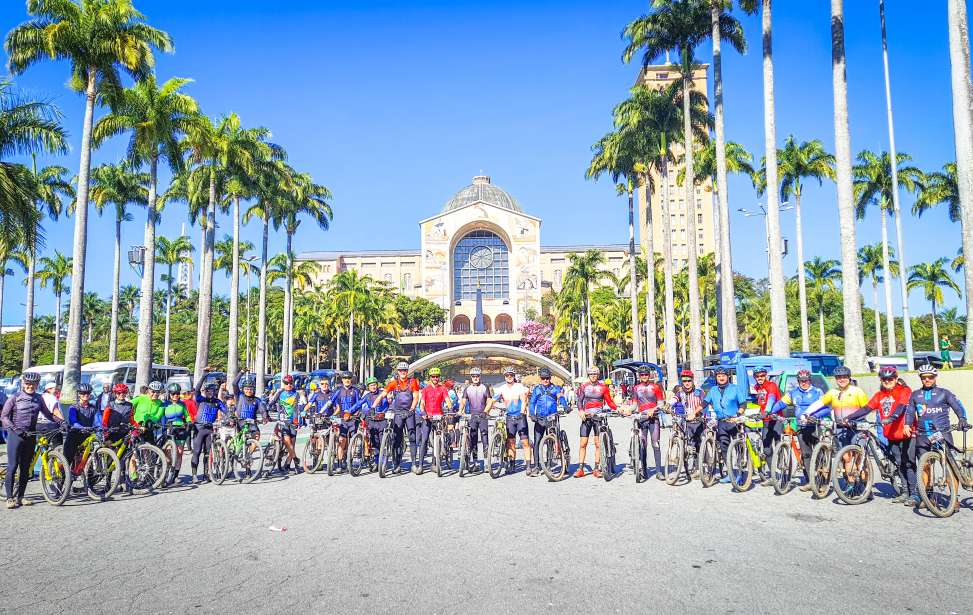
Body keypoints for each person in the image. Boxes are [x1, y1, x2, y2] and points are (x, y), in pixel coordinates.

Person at [907, 364, 969, 509]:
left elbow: (958, 406)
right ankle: (928, 497)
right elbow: (910, 411)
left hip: (942, 433)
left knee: (949, 466)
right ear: (921, 378)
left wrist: (962, 418)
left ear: (935, 377)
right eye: (924, 377)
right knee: (925, 467)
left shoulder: (944, 393)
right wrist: (907, 424)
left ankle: (954, 499)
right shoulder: (915, 394)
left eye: (930, 377)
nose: (927, 379)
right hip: (922, 435)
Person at [1, 372, 61, 508]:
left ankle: (21, 497)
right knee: (13, 465)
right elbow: (4, 417)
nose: (30, 386)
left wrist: (61, 422)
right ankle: (10, 498)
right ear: (23, 384)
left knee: (25, 468)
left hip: (31, 435)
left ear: (37, 385)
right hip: (16, 435)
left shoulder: (39, 398)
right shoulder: (14, 398)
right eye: (27, 384)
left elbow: (48, 414)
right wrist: (15, 429)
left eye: (33, 384)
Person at [866, 366, 915, 504]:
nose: (887, 381)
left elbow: (901, 407)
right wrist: (849, 418)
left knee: (909, 463)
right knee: (899, 463)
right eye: (884, 379)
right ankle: (905, 492)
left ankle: (915, 493)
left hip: (907, 434)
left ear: (896, 378)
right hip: (891, 435)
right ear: (881, 380)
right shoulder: (879, 395)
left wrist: (892, 418)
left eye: (890, 378)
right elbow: (866, 408)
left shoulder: (904, 390)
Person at [772, 369, 824, 491]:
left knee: (819, 454)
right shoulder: (793, 393)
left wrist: (815, 416)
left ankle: (822, 480)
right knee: (806, 454)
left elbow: (825, 407)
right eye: (801, 381)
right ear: (798, 381)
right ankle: (811, 481)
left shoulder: (818, 392)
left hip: (815, 426)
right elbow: (781, 404)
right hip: (801, 426)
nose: (804, 383)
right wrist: (770, 411)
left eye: (806, 380)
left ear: (810, 380)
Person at [701, 367, 749, 483]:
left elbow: (743, 404)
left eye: (723, 376)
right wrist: (694, 412)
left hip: (734, 422)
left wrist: (737, 414)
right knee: (724, 449)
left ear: (728, 377)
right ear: (716, 378)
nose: (721, 378)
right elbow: (704, 403)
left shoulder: (735, 388)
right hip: (722, 423)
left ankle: (740, 474)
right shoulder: (713, 390)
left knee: (738, 449)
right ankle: (730, 473)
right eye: (718, 376)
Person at [620, 365, 665, 480]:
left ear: (649, 375)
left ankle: (659, 471)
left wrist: (653, 409)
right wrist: (629, 409)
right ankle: (644, 470)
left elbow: (661, 403)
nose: (644, 376)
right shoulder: (636, 388)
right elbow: (635, 404)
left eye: (646, 374)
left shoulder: (656, 387)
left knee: (656, 444)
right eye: (642, 375)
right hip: (641, 419)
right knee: (643, 445)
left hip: (653, 418)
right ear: (639, 376)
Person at [376, 362, 420, 473]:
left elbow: (416, 397)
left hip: (409, 412)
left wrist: (412, 409)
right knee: (397, 438)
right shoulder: (394, 383)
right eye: (401, 370)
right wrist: (373, 406)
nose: (403, 372)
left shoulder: (413, 382)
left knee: (412, 437)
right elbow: (382, 395)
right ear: (398, 372)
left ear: (407, 371)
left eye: (405, 370)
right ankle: (396, 465)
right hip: (398, 412)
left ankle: (414, 464)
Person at [575, 366, 617, 478]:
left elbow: (609, 401)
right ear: (588, 375)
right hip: (587, 417)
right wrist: (581, 411)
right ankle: (580, 468)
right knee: (583, 443)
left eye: (595, 374)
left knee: (598, 444)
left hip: (598, 417)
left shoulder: (603, 387)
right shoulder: (584, 386)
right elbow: (579, 401)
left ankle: (596, 468)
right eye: (591, 374)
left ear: (598, 375)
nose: (593, 376)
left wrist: (617, 409)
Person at [527, 367, 567, 477]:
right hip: (539, 418)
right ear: (540, 378)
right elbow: (532, 403)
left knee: (551, 442)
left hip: (552, 418)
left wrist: (566, 406)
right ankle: (536, 466)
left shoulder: (555, 388)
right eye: (543, 378)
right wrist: (532, 414)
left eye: (547, 378)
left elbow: (561, 398)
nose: (545, 380)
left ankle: (549, 465)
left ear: (550, 378)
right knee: (537, 442)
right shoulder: (537, 389)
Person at [493, 367, 531, 475]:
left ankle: (528, 466)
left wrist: (522, 412)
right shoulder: (502, 388)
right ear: (504, 377)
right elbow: (493, 400)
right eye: (507, 375)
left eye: (511, 375)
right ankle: (512, 465)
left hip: (520, 417)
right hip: (509, 417)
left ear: (514, 376)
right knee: (511, 443)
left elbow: (524, 400)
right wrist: (487, 410)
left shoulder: (519, 387)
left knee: (525, 442)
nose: (509, 377)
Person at [416, 367, 454, 474]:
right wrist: (423, 413)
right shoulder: (425, 389)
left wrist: (450, 408)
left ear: (439, 377)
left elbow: (447, 400)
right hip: (428, 417)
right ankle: (421, 465)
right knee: (424, 441)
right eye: (433, 376)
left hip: (439, 416)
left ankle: (435, 463)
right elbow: (422, 403)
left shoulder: (443, 389)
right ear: (430, 378)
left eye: (437, 376)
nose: (435, 378)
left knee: (439, 439)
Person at [668, 369, 705, 477]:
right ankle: (685, 464)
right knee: (688, 443)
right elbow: (675, 398)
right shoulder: (680, 393)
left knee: (698, 444)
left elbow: (705, 403)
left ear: (692, 381)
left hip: (699, 421)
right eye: (684, 381)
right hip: (686, 421)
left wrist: (697, 413)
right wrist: (668, 404)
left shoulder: (699, 392)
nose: (687, 383)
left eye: (689, 381)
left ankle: (698, 467)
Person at [190, 378, 228, 483]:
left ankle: (206, 474)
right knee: (197, 452)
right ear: (205, 391)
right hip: (199, 428)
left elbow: (226, 411)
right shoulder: (201, 399)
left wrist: (231, 418)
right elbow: (197, 389)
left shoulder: (217, 402)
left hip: (210, 429)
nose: (210, 392)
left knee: (208, 452)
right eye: (208, 390)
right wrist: (204, 375)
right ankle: (194, 475)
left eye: (212, 390)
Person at [325, 372, 363, 471]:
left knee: (353, 440)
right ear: (342, 380)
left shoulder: (355, 391)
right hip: (342, 419)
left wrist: (356, 414)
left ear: (351, 380)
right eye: (345, 378)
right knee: (341, 440)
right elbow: (330, 403)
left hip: (353, 419)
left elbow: (359, 404)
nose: (347, 380)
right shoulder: (338, 391)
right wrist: (324, 412)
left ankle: (351, 460)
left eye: (349, 378)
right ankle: (340, 463)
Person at [459, 367, 492, 472]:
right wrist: (460, 410)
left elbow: (490, 401)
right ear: (471, 377)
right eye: (473, 376)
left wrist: (486, 411)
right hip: (473, 416)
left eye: (477, 376)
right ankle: (475, 462)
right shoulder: (467, 389)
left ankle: (487, 463)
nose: (475, 378)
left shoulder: (484, 387)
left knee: (484, 438)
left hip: (482, 416)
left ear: (480, 376)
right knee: (473, 440)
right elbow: (463, 401)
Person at [268, 374, 302, 473]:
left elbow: (298, 407)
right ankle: (296, 460)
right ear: (284, 384)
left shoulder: (296, 394)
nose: (289, 385)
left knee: (292, 444)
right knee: (287, 442)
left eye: (290, 383)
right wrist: (267, 409)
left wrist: (299, 419)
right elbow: (272, 402)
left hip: (293, 421)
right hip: (283, 421)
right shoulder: (280, 392)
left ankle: (288, 464)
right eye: (286, 383)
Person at [752, 367, 784, 468]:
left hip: (776, 418)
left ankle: (783, 465)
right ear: (754, 377)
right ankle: (772, 473)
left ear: (766, 376)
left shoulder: (771, 385)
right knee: (766, 448)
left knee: (779, 444)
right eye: (757, 376)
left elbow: (771, 398)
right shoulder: (756, 387)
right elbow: (756, 402)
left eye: (762, 375)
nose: (760, 377)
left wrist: (767, 410)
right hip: (765, 420)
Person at [63, 383, 100, 467]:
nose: (85, 395)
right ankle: (64, 476)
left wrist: (101, 428)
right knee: (68, 459)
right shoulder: (73, 407)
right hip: (75, 435)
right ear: (79, 394)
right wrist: (81, 427)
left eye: (87, 393)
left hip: (87, 435)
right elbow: (73, 421)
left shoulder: (93, 408)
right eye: (83, 393)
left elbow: (98, 420)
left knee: (92, 455)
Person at [355, 377, 388, 467]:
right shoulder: (367, 396)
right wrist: (349, 411)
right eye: (371, 385)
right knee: (375, 442)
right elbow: (358, 404)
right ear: (368, 387)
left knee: (382, 441)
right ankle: (377, 462)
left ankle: (383, 460)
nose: (373, 387)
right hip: (372, 420)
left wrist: (383, 413)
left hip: (382, 420)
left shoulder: (382, 393)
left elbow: (385, 404)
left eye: (374, 385)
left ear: (377, 385)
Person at [161, 383, 191, 479]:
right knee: (168, 454)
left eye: (177, 394)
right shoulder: (165, 404)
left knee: (179, 453)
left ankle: (175, 475)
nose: (175, 396)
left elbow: (187, 415)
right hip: (169, 429)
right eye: (173, 394)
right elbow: (159, 416)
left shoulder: (182, 404)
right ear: (169, 394)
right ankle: (166, 471)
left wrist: (189, 422)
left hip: (180, 429)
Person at [131, 381, 165, 445]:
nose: (155, 394)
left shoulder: (160, 403)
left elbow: (158, 416)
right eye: (153, 392)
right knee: (136, 449)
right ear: (149, 391)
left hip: (149, 427)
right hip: (137, 426)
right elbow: (128, 405)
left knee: (151, 446)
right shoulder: (140, 399)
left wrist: (151, 421)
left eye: (158, 392)